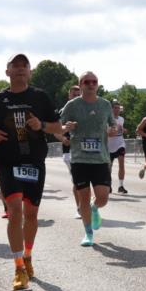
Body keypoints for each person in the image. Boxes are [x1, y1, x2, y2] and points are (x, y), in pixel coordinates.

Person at [0, 54, 62, 291]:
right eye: (14, 66)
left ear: (30, 72)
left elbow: (57, 127)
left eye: (23, 66)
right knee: (15, 212)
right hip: (8, 162)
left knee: (32, 214)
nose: (19, 69)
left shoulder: (40, 97)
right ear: (7, 72)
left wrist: (42, 126)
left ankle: (27, 255)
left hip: (34, 161)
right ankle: (18, 268)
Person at [59, 71, 119, 246]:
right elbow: (58, 127)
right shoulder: (72, 105)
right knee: (83, 198)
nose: (91, 84)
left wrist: (113, 128)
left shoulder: (105, 104)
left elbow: (112, 123)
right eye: (87, 82)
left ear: (97, 84)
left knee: (103, 197)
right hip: (79, 159)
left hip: (101, 158)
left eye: (94, 81)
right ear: (81, 84)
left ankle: (95, 209)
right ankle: (88, 234)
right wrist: (66, 127)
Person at [57, 85, 82, 218]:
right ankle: (79, 208)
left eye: (78, 94)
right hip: (70, 151)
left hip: (84, 150)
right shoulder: (64, 110)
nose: (76, 96)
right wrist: (62, 138)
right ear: (69, 96)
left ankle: (84, 205)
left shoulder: (86, 109)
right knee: (78, 180)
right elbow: (55, 130)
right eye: (74, 94)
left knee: (86, 180)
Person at [108, 101, 128, 194]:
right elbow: (106, 132)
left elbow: (121, 129)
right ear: (111, 109)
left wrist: (123, 130)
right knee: (109, 167)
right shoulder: (107, 119)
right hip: (109, 146)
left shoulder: (121, 119)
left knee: (121, 164)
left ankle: (121, 186)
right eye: (115, 108)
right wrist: (112, 132)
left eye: (118, 108)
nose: (117, 110)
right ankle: (109, 185)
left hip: (120, 144)